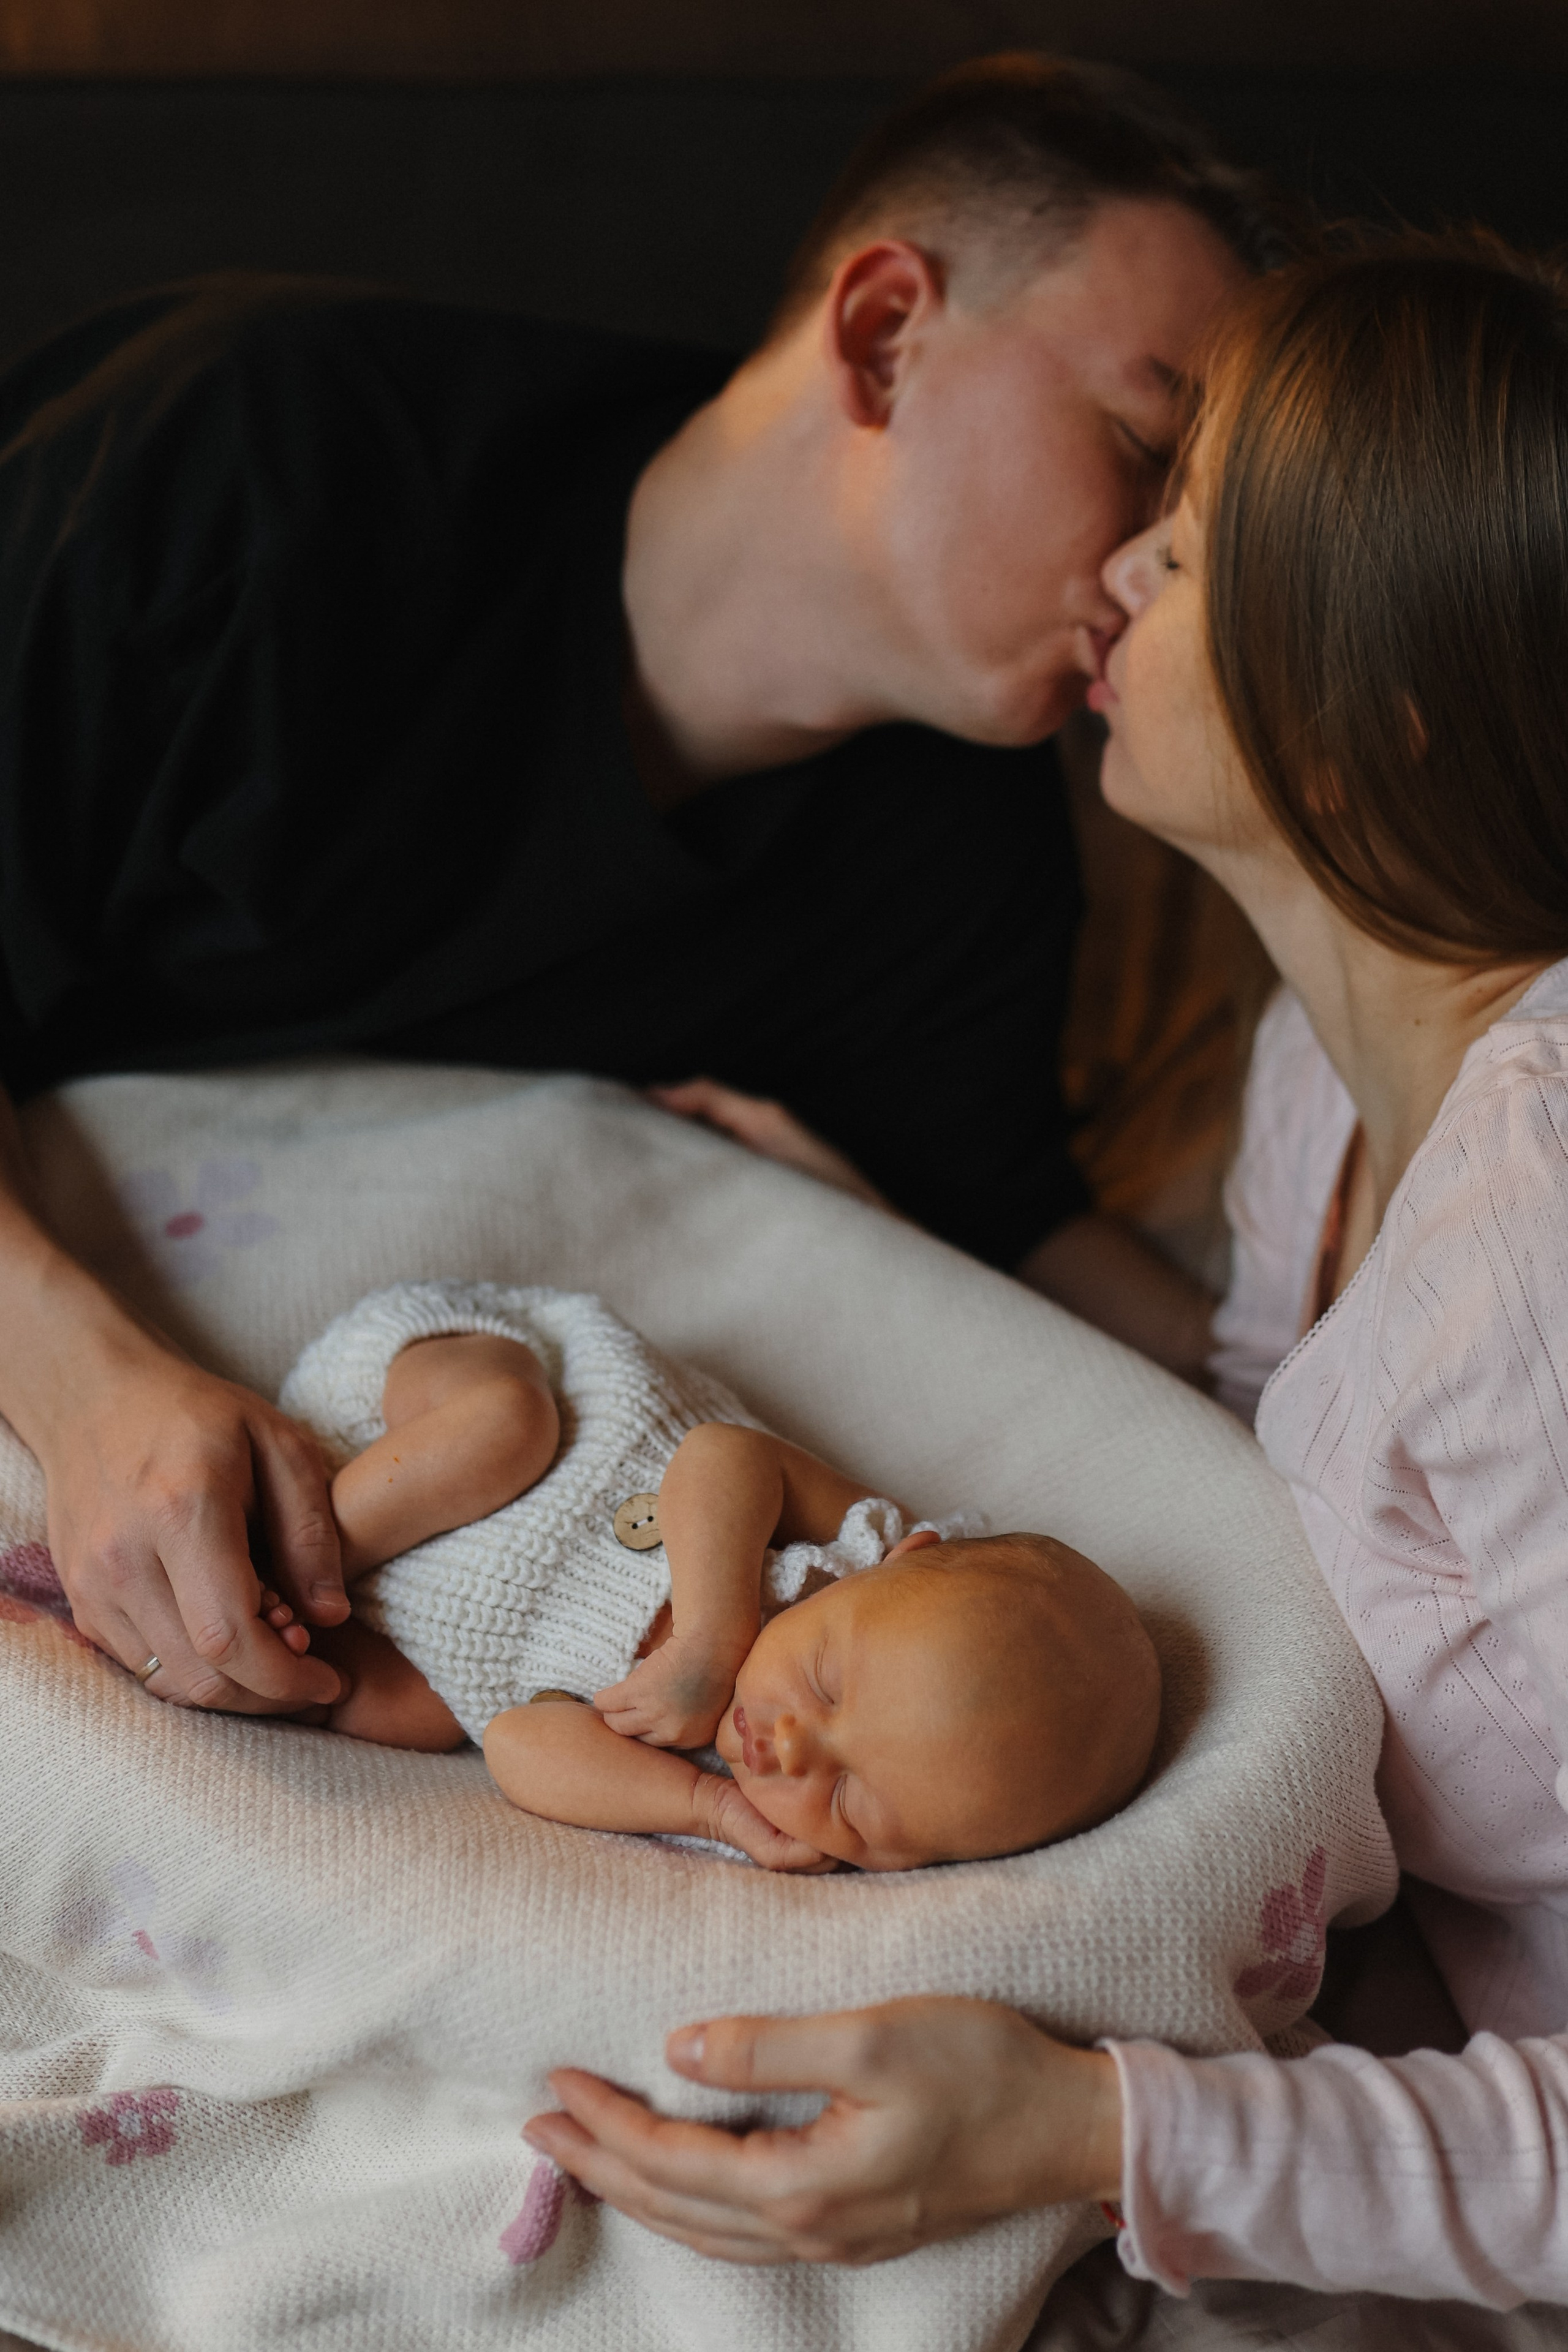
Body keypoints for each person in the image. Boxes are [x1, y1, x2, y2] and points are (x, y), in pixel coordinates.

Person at [520, 236, 1568, 2309]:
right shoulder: (1331, 1080)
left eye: (1188, 553)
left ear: (1372, 708)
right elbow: (1296, 1452)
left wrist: (1100, 2127)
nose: (1114, 578)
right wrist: (878, 1252)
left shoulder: (1540, 1235)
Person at [0, 55, 1283, 1722]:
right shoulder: (264, 458)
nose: (1151, 567)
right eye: (1139, 447)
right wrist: (80, 1385)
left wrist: (1354, 1355)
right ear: (885, 333)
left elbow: (1007, 1229)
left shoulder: (961, 844)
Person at [266, 1280, 1159, 1874]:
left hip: (404, 1601)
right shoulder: (853, 1549)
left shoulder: (712, 1782)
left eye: (850, 1803)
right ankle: (283, 1553)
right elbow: (722, 1458)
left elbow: (511, 1743)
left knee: (413, 1714)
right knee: (502, 1428)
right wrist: (711, 1632)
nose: (793, 1750)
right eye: (826, 1681)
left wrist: (705, 1808)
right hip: (428, 1397)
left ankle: (262, 1615)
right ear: (905, 1563)